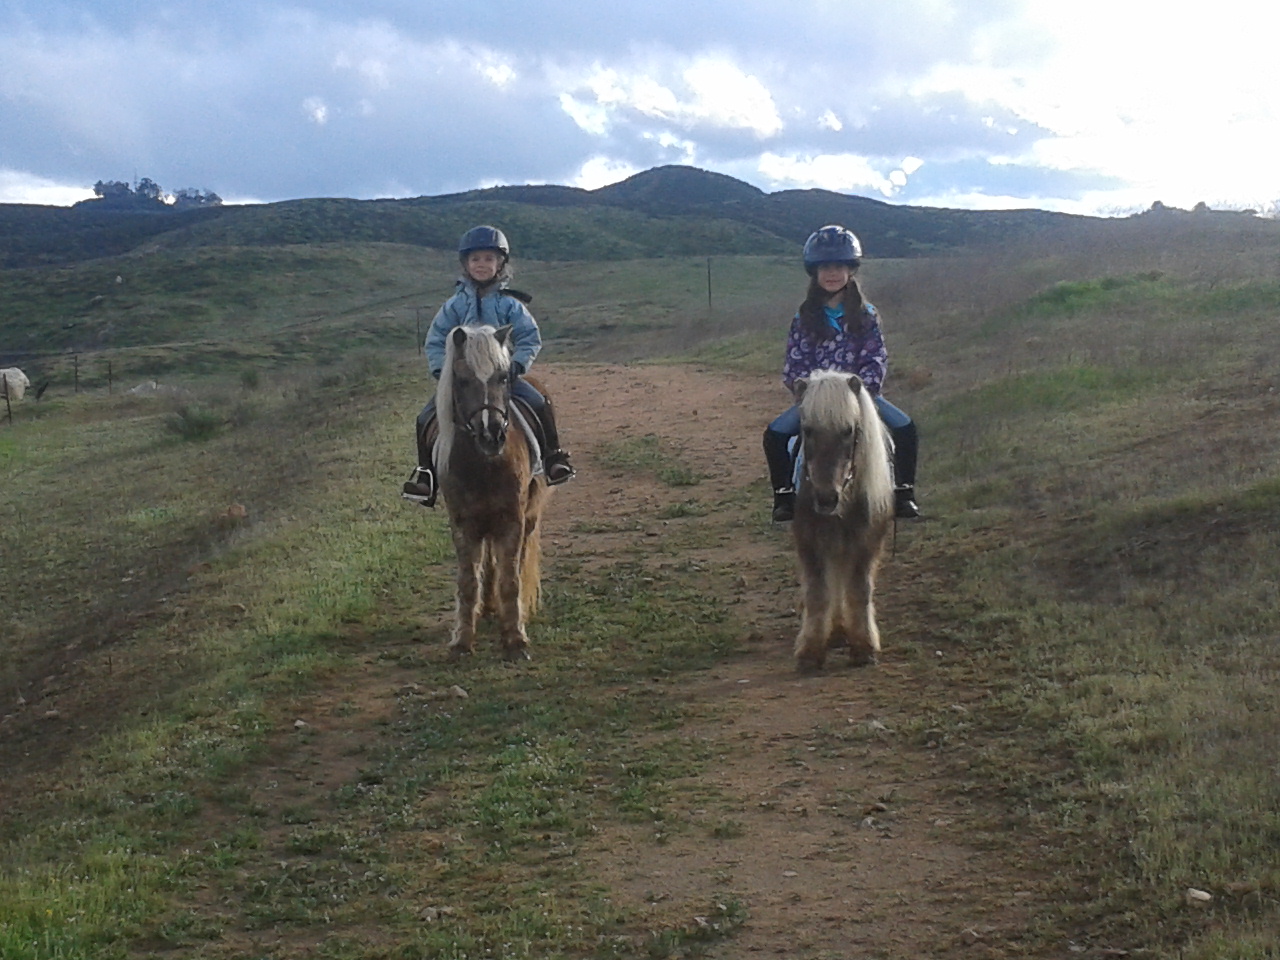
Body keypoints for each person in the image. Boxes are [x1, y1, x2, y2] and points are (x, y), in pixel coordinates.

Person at [402, 225, 575, 506]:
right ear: (465, 265)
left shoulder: (511, 305)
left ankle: (553, 457)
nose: (482, 265)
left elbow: (530, 337)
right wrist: (442, 371)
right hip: (465, 382)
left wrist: (516, 366)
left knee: (539, 402)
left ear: (501, 264)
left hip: (500, 377)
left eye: (489, 259)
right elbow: (434, 341)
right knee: (425, 418)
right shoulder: (453, 306)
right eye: (475, 259)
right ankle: (426, 476)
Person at [762, 224, 920, 523]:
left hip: (858, 396)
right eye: (824, 268)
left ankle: (903, 493)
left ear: (851, 271)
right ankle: (783, 496)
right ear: (814, 273)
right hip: (817, 400)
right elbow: (795, 360)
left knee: (905, 429)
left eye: (838, 267)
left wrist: (864, 389)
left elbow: (875, 356)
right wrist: (804, 390)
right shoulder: (804, 316)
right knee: (775, 435)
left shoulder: (866, 314)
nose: (831, 274)